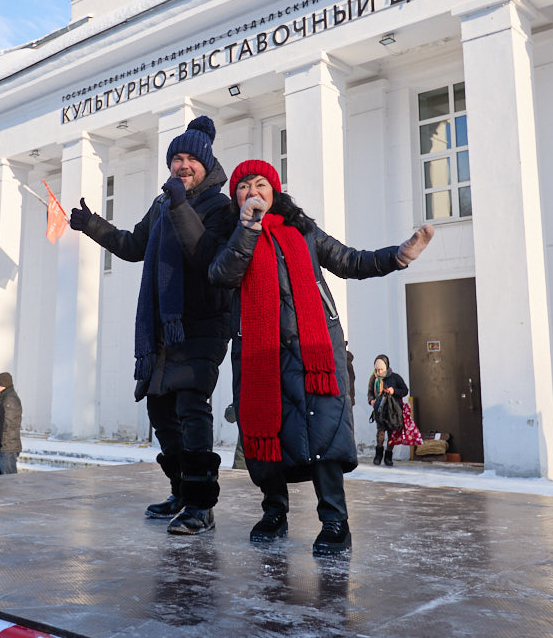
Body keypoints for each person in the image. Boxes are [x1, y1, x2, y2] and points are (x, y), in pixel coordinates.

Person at [208, 159, 434, 555]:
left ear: (274, 192)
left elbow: (350, 260)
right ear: (236, 198)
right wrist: (246, 231)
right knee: (266, 435)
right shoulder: (229, 236)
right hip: (260, 353)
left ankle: (335, 521)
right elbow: (222, 274)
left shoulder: (302, 230)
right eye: (243, 186)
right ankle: (274, 512)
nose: (252, 192)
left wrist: (397, 256)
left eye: (260, 184)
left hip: (315, 353)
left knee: (324, 434)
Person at [69, 115, 234, 535]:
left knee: (192, 409)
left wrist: (180, 205)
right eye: (176, 159)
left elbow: (206, 256)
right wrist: (93, 225)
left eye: (191, 160)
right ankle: (181, 491)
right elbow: (133, 246)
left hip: (201, 324)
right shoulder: (163, 203)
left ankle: (201, 505)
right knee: (161, 412)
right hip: (162, 328)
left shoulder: (220, 207)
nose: (183, 166)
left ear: (206, 164)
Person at [367, 355, 410, 465]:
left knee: (392, 434)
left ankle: (388, 456)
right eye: (377, 369)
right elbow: (370, 392)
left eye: (381, 369)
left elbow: (405, 390)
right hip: (380, 410)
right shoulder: (374, 378)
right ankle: (378, 455)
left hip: (393, 411)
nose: (379, 371)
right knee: (380, 433)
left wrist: (393, 391)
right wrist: (371, 400)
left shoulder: (395, 377)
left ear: (386, 367)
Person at [0, 372, 23, 474]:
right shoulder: (4, 397)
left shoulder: (9, 399)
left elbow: (6, 423)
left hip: (7, 447)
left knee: (8, 478)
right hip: (5, 445)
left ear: (3, 385)